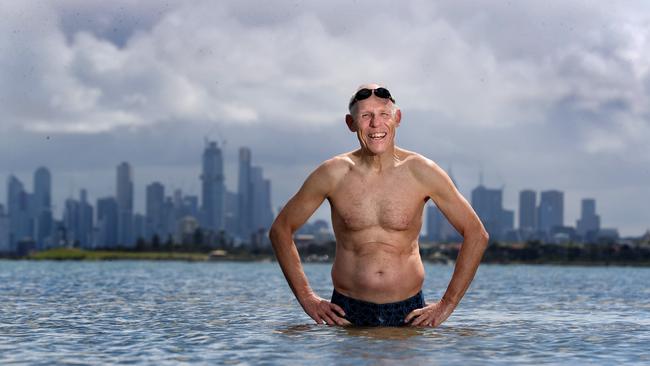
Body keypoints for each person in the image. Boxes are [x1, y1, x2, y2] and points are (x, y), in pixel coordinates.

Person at [269, 83, 489, 327]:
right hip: (346, 311)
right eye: (366, 116)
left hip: (408, 311)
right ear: (350, 124)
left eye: (384, 114)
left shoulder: (422, 172)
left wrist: (446, 304)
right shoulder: (332, 174)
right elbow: (280, 230)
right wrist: (308, 298)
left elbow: (476, 234)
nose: (376, 124)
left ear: (397, 118)